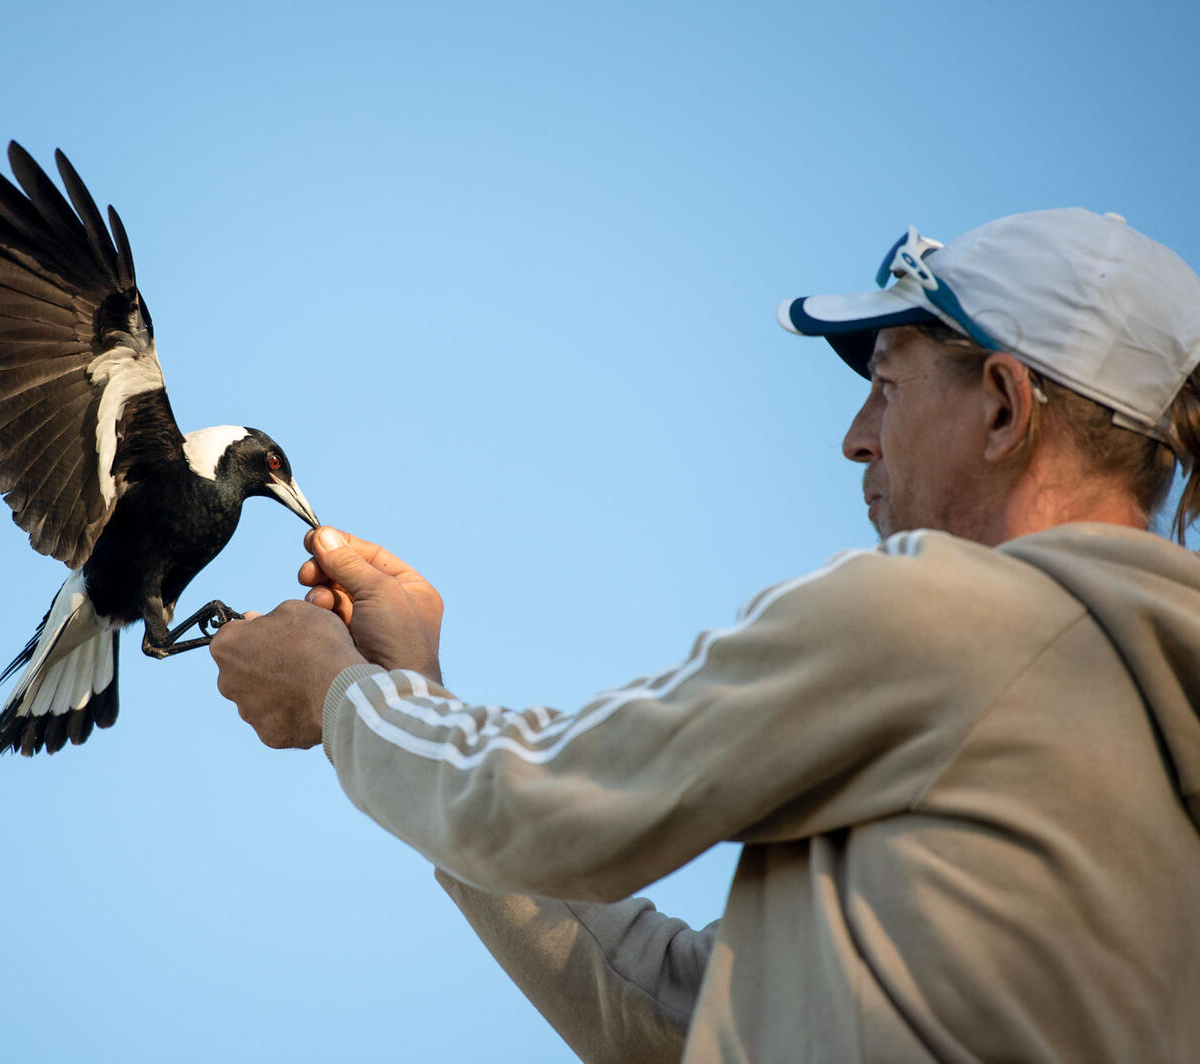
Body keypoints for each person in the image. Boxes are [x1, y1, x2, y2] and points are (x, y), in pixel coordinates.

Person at [209, 208, 1200, 1061]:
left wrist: (339, 694)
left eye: (887, 387)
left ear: (1001, 405)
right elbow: (676, 1016)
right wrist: (417, 687)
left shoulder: (949, 616)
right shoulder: (1121, 722)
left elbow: (534, 801)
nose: (855, 435)